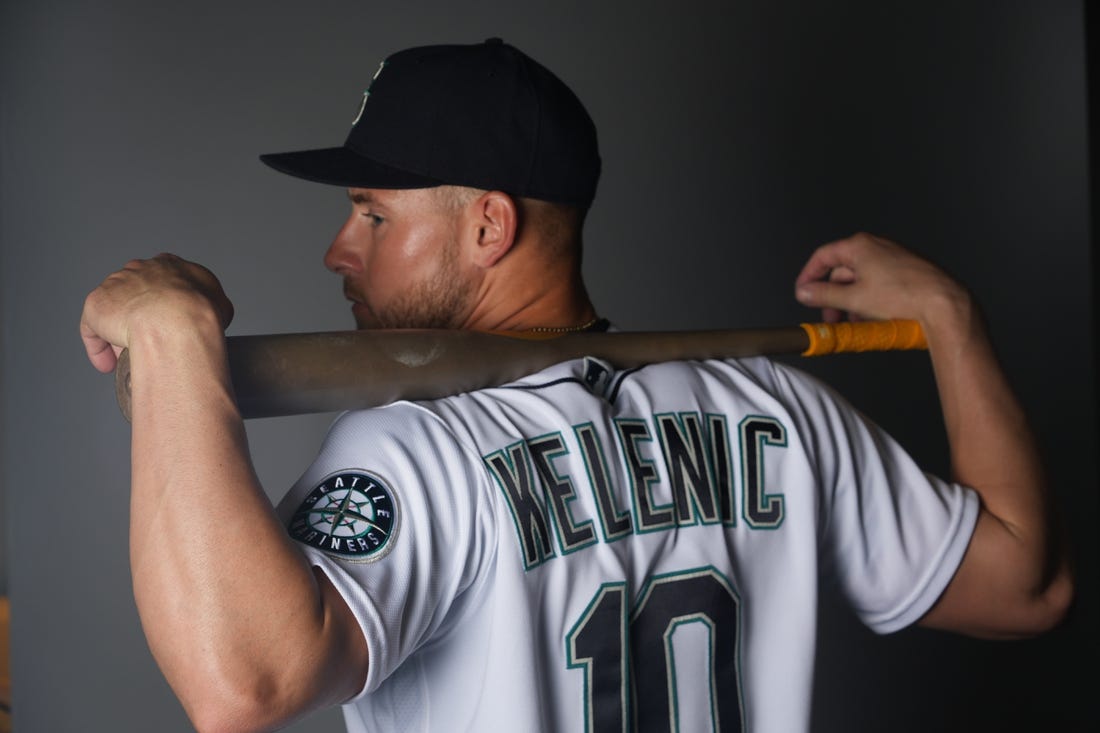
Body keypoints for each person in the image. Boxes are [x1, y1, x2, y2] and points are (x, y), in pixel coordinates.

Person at [79, 39, 1072, 733]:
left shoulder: (422, 450)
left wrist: (170, 334)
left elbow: (238, 684)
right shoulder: (777, 411)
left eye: (372, 216)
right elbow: (1024, 586)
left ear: (487, 227)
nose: (339, 250)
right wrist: (949, 314)